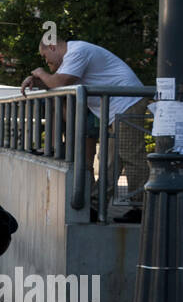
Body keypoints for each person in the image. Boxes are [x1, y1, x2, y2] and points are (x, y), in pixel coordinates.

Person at [21, 36, 149, 223]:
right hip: (117, 108)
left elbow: (58, 83)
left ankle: (143, 209)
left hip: (126, 103)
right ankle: (96, 207)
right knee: (110, 161)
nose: (45, 61)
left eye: (44, 55)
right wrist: (35, 80)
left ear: (52, 47)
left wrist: (39, 73)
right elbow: (57, 82)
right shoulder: (72, 57)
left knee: (131, 157)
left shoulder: (77, 52)